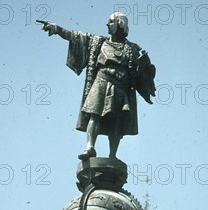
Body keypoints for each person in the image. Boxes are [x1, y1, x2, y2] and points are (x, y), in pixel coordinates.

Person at [41, 12, 156, 160]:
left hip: (121, 86)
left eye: (110, 22)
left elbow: (145, 72)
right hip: (102, 81)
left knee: (116, 122)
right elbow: (76, 37)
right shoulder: (99, 42)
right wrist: (56, 29)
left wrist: (147, 67)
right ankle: (90, 147)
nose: (107, 25)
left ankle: (112, 156)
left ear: (119, 24)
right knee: (94, 115)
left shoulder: (133, 48)